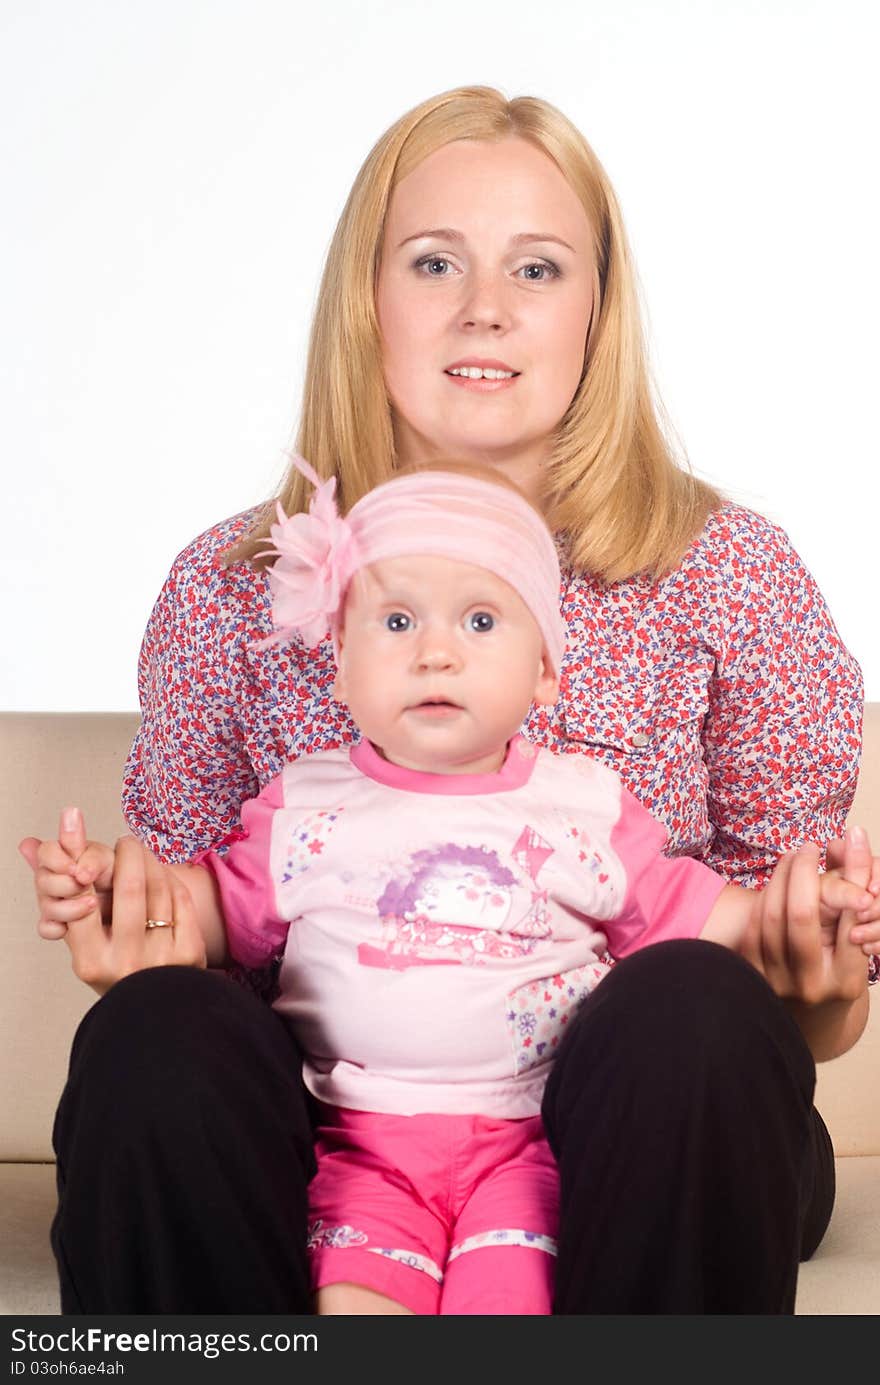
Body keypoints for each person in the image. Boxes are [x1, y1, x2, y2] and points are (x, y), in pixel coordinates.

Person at [20, 85, 874, 1314]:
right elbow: (200, 932)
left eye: (536, 266)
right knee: (151, 1037)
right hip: (343, 1124)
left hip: (657, 1120)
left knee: (691, 1010)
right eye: (435, 261)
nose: (486, 307)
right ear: (367, 298)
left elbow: (774, 1002)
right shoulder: (232, 586)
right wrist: (149, 944)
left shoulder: (729, 574)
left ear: (596, 309)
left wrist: (820, 971)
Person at [26, 460, 880, 1318]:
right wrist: (116, 894)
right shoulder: (305, 802)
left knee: (512, 1297)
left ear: (547, 674)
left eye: (479, 620)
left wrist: (809, 914)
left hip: (534, 1140)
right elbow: (213, 902)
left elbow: (703, 916)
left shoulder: (585, 804)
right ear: (339, 670)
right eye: (396, 621)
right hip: (357, 1141)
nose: (436, 650)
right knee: (351, 1296)